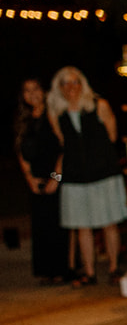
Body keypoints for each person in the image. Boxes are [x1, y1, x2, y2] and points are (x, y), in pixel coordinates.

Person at [47, 66, 127, 286]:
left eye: (75, 82)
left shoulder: (99, 106)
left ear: (82, 84)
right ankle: (89, 272)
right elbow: (64, 147)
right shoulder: (57, 114)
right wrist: (56, 177)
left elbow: (112, 136)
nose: (71, 87)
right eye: (65, 83)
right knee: (82, 226)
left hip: (103, 173)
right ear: (59, 88)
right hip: (75, 177)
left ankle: (114, 268)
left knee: (109, 223)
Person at [13, 79, 71, 283]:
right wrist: (29, 178)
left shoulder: (54, 114)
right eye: (27, 91)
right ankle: (46, 271)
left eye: (35, 89)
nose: (32, 94)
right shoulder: (23, 120)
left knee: (59, 223)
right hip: (36, 178)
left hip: (57, 176)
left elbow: (65, 147)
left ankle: (63, 270)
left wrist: (56, 177)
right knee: (41, 225)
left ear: (44, 91)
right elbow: (20, 151)